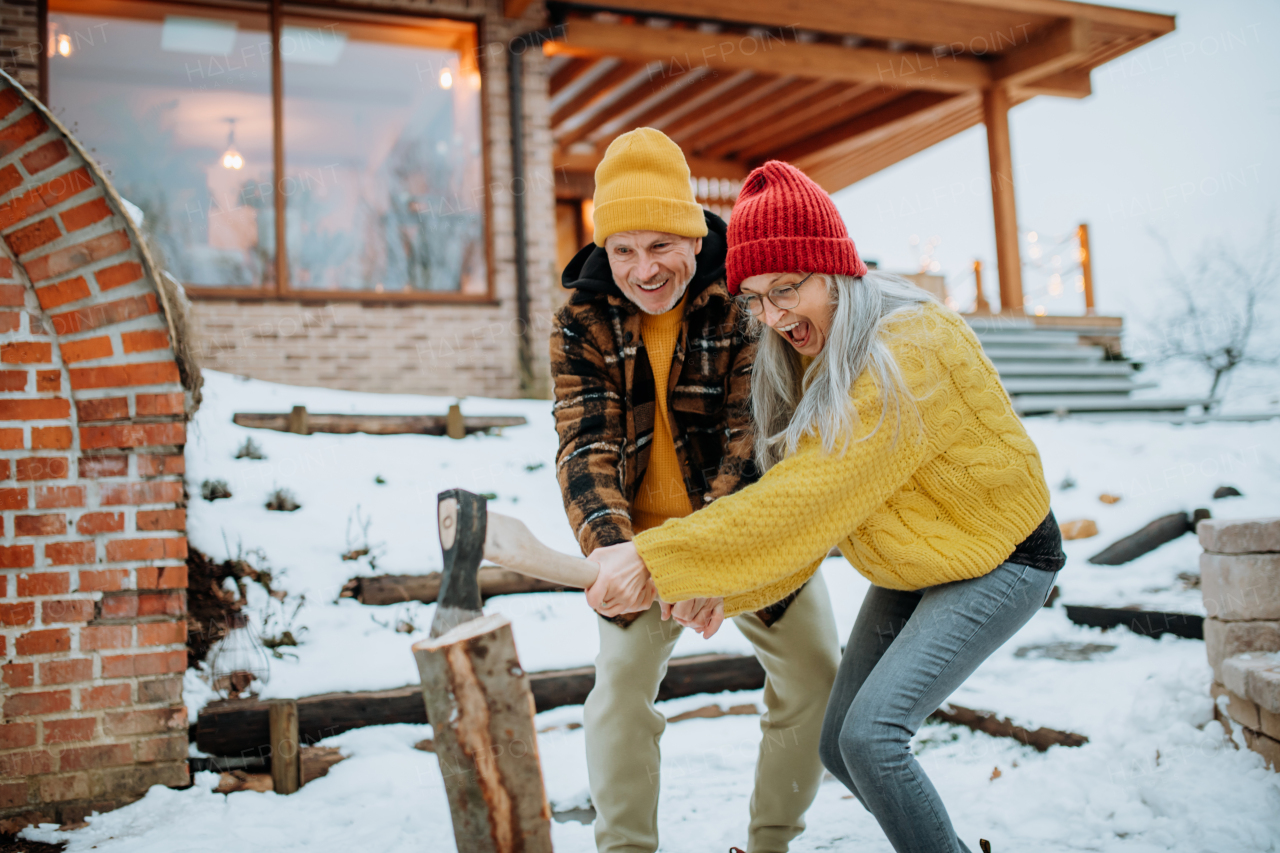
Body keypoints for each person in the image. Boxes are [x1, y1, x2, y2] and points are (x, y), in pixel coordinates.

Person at [585, 159, 1067, 853]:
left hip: (1003, 556)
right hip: (924, 553)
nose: (774, 316)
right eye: (755, 299)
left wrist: (657, 555)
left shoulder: (910, 350)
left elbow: (806, 496)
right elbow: (815, 521)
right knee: (839, 743)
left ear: (834, 270)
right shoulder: (813, 354)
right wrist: (719, 582)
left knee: (873, 738)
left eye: (788, 289)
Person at [551, 129, 841, 853]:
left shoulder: (745, 302)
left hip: (748, 526)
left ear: (691, 233)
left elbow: (756, 436)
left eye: (661, 246)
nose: (643, 269)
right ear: (603, 250)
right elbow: (585, 445)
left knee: (814, 675)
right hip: (641, 546)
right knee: (617, 696)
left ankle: (769, 843)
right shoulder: (580, 321)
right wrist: (613, 550)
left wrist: (711, 559)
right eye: (623, 250)